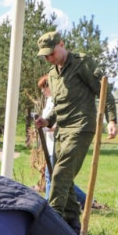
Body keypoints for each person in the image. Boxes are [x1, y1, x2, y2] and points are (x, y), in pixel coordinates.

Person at [33, 31, 117, 233]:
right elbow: (58, 105)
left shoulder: (82, 64)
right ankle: (72, 225)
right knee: (63, 178)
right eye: (45, 56)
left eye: (51, 53)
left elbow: (104, 91)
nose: (49, 59)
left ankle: (51, 226)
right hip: (62, 130)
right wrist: (47, 120)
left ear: (61, 44)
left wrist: (111, 119)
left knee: (60, 174)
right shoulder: (53, 75)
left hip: (81, 127)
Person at [38, 75, 87, 207]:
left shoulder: (59, 100)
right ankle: (84, 200)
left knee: (53, 175)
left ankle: (50, 202)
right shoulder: (49, 101)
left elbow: (62, 121)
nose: (43, 91)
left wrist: (49, 127)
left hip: (57, 143)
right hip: (49, 144)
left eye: (45, 87)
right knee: (53, 175)